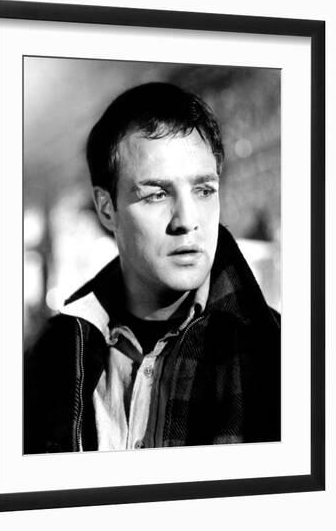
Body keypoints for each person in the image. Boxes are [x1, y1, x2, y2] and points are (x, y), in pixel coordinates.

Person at [24, 82, 280, 454]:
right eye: (156, 194)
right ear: (106, 208)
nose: (187, 220)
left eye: (204, 190)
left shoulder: (280, 357)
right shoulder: (53, 356)